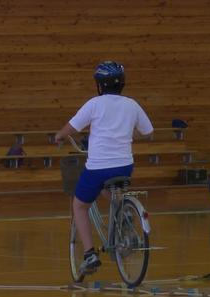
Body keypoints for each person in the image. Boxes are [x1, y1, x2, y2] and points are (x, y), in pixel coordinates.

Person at [55, 61, 154, 277]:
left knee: (79, 206)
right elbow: (147, 132)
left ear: (100, 85)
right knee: (109, 188)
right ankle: (125, 215)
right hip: (125, 166)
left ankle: (90, 254)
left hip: (98, 167)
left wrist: (59, 136)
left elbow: (71, 127)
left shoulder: (94, 104)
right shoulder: (132, 104)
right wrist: (130, 134)